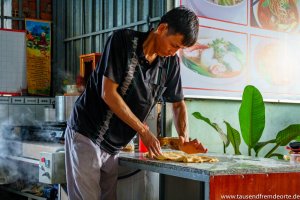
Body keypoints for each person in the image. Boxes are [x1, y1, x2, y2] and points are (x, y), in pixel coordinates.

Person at [65, 6, 206, 200]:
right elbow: (108, 94)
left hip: (114, 146)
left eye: (179, 49)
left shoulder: (170, 63)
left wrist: (184, 139)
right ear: (162, 28)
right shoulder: (122, 41)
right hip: (87, 133)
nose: (174, 52)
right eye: (174, 45)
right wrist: (144, 130)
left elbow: (178, 103)